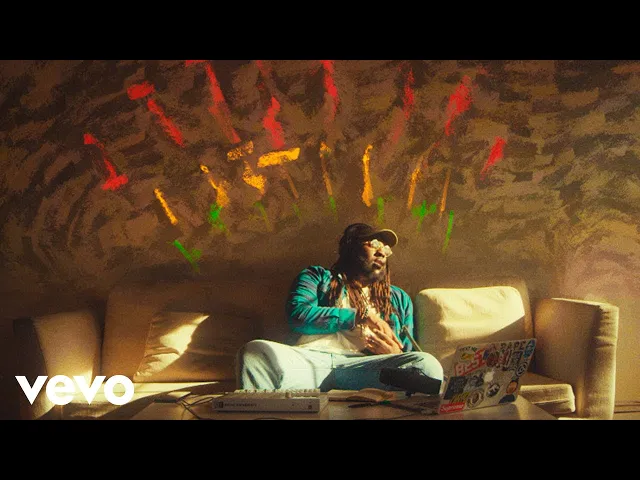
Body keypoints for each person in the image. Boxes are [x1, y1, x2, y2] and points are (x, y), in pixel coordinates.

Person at [235, 223, 444, 392]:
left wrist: (394, 353)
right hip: (310, 361)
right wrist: (361, 316)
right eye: (374, 244)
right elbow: (298, 315)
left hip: (367, 369)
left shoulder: (398, 298)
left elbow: (408, 351)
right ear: (352, 248)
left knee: (426, 365)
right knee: (255, 353)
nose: (382, 252)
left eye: (386, 249)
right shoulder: (317, 277)